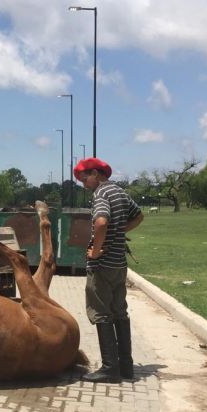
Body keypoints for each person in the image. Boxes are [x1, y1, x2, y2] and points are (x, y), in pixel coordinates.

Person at [73, 157, 144, 382]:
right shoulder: (120, 192)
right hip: (119, 265)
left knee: (101, 313)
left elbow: (101, 222)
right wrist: (119, 231)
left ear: (95, 173)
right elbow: (139, 216)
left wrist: (96, 249)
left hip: (102, 266)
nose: (84, 184)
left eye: (84, 178)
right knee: (119, 312)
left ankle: (109, 368)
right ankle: (126, 366)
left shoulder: (102, 193)